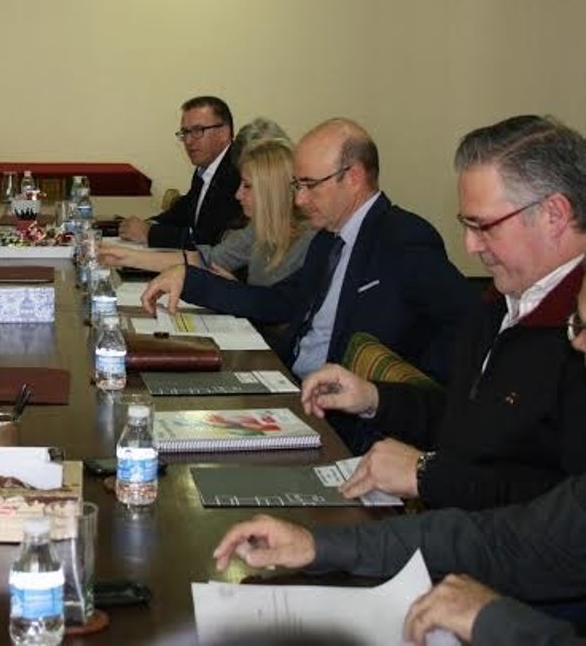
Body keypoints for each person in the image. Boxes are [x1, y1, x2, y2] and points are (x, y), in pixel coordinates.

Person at [213, 268, 586, 644]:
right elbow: (505, 540)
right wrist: (317, 545)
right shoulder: (494, 309)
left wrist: (495, 621)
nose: (579, 344)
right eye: (578, 324)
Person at [298, 116, 586, 510]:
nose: (470, 246)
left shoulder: (575, 332)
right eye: (466, 224)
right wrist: (373, 398)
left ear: (554, 214)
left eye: (483, 226)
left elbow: (565, 506)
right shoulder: (498, 304)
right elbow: (465, 425)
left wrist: (427, 474)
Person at [143, 118, 473, 385]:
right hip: (291, 378)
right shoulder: (328, 239)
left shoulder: (403, 239)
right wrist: (191, 279)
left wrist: (409, 400)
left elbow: (468, 324)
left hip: (344, 413)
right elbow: (280, 300)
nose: (299, 200)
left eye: (309, 185)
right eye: (297, 186)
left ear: (353, 177)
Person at [100, 137, 314, 286]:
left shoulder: (308, 243)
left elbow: (283, 313)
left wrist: (240, 293)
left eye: (247, 186)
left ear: (272, 191)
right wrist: (125, 257)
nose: (238, 195)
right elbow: (206, 260)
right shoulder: (258, 228)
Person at [119, 95, 244, 249]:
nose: (188, 141)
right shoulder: (207, 166)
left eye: (198, 130)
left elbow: (210, 240)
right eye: (185, 132)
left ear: (224, 133)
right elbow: (186, 209)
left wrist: (150, 233)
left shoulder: (237, 173)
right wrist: (150, 223)